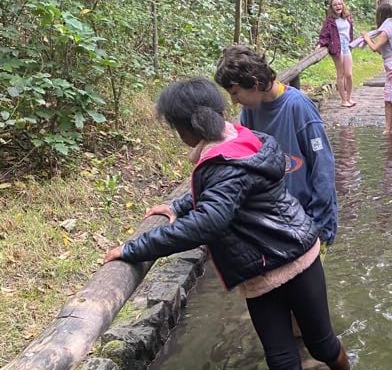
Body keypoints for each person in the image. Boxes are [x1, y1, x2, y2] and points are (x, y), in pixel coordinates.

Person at [103, 78, 349, 370]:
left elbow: (208, 221)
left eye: (175, 127)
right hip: (263, 268)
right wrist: (178, 206)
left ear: (188, 127)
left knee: (321, 344)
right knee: (280, 358)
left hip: (294, 258)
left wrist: (135, 248)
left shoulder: (223, 164)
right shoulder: (238, 138)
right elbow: (229, 194)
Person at [214, 45, 338, 251]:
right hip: (277, 223)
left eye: (235, 93)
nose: (234, 101)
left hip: (310, 222)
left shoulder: (299, 107)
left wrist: (318, 227)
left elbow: (323, 168)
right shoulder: (250, 113)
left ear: (254, 83)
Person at [362, 3, 392, 135]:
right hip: (391, 69)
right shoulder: (388, 29)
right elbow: (381, 51)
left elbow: (374, 48)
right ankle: (388, 129)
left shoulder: (386, 31)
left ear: (380, 15)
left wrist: (366, 37)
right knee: (388, 101)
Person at [315, 0, 356, 108]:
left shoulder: (347, 18)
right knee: (341, 74)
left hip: (347, 47)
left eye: (339, 4)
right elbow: (324, 35)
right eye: (335, 5)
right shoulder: (330, 21)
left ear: (343, 5)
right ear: (332, 8)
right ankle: (343, 100)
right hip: (336, 48)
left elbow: (350, 33)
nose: (338, 6)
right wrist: (320, 44)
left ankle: (349, 97)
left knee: (349, 74)